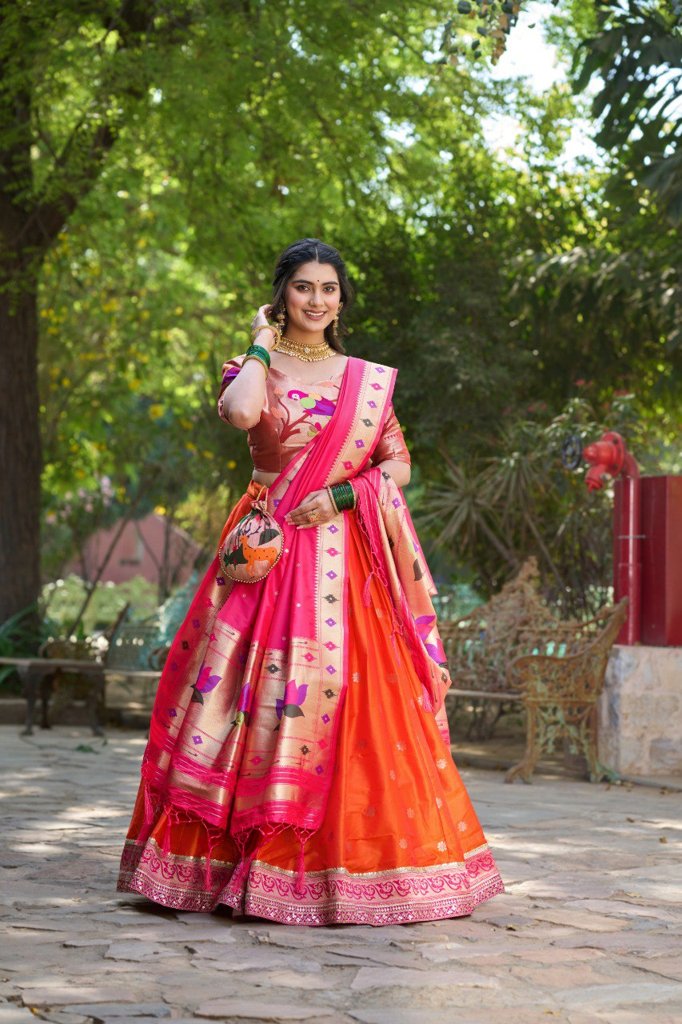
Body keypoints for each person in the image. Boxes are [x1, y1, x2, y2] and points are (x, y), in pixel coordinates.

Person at [117, 238, 504, 926]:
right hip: (265, 550)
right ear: (282, 295)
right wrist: (260, 344)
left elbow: (399, 467)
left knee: (342, 699)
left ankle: (330, 864)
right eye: (303, 288)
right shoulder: (253, 366)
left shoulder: (366, 379)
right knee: (235, 696)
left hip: (343, 559)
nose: (317, 300)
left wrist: (347, 498)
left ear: (341, 300)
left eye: (329, 289)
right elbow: (239, 415)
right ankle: (222, 863)